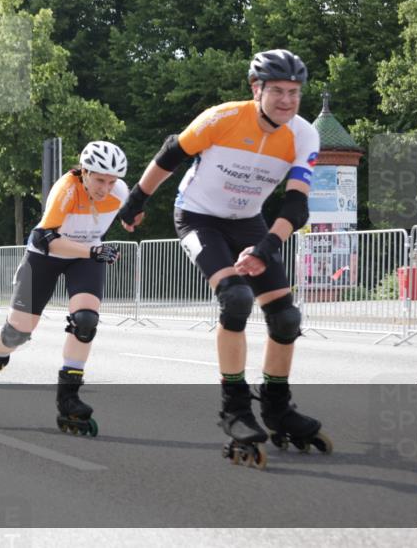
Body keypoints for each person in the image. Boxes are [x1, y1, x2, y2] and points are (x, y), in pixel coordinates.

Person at [117, 49, 331, 468]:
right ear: (257, 90)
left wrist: (267, 246)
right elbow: (170, 154)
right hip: (197, 218)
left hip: (249, 223)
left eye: (294, 93)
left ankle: (276, 406)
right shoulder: (222, 118)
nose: (287, 101)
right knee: (235, 300)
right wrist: (138, 199)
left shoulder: (304, 136)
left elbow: (296, 206)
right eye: (277, 92)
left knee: (286, 317)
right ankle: (234, 407)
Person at [0, 141, 128, 437]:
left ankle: (68, 396)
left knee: (86, 321)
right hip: (44, 258)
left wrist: (131, 218)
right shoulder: (66, 189)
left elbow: (122, 213)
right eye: (100, 180)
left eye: (112, 181)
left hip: (83, 257)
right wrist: (93, 252)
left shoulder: (119, 193)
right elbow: (43, 239)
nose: (106, 188)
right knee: (18, 332)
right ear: (84, 172)